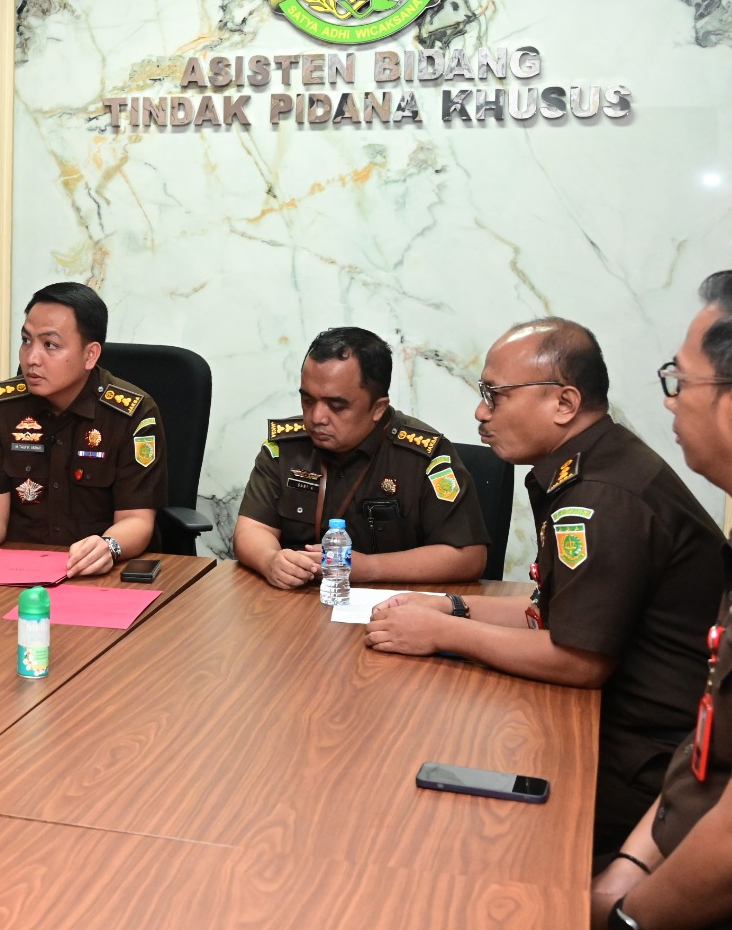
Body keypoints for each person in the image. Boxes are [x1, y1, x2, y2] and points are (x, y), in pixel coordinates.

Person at [367, 318, 726, 858]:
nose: (480, 412)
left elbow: (579, 659)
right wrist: (453, 607)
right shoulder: (591, 465)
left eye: (495, 395)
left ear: (564, 403)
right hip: (619, 731)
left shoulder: (604, 495)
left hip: (642, 762)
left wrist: (443, 632)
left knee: (444, 833)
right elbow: (555, 613)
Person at [590, 274, 732, 930]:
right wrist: (632, 867)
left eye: (681, 382)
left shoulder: (617, 488)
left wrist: (626, 916)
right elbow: (708, 745)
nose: (670, 404)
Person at [0, 282, 166, 577]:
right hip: (16, 572)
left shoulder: (132, 414)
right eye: (26, 340)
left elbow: (137, 520)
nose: (31, 358)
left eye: (50, 345)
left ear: (90, 355)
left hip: (97, 575)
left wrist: (109, 546)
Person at [234, 327, 490, 588]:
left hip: (394, 610)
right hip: (296, 603)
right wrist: (271, 560)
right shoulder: (284, 448)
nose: (316, 418)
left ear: (378, 408)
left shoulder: (424, 457)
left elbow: (468, 557)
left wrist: (368, 568)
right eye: (308, 400)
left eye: (336, 406)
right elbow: (252, 529)